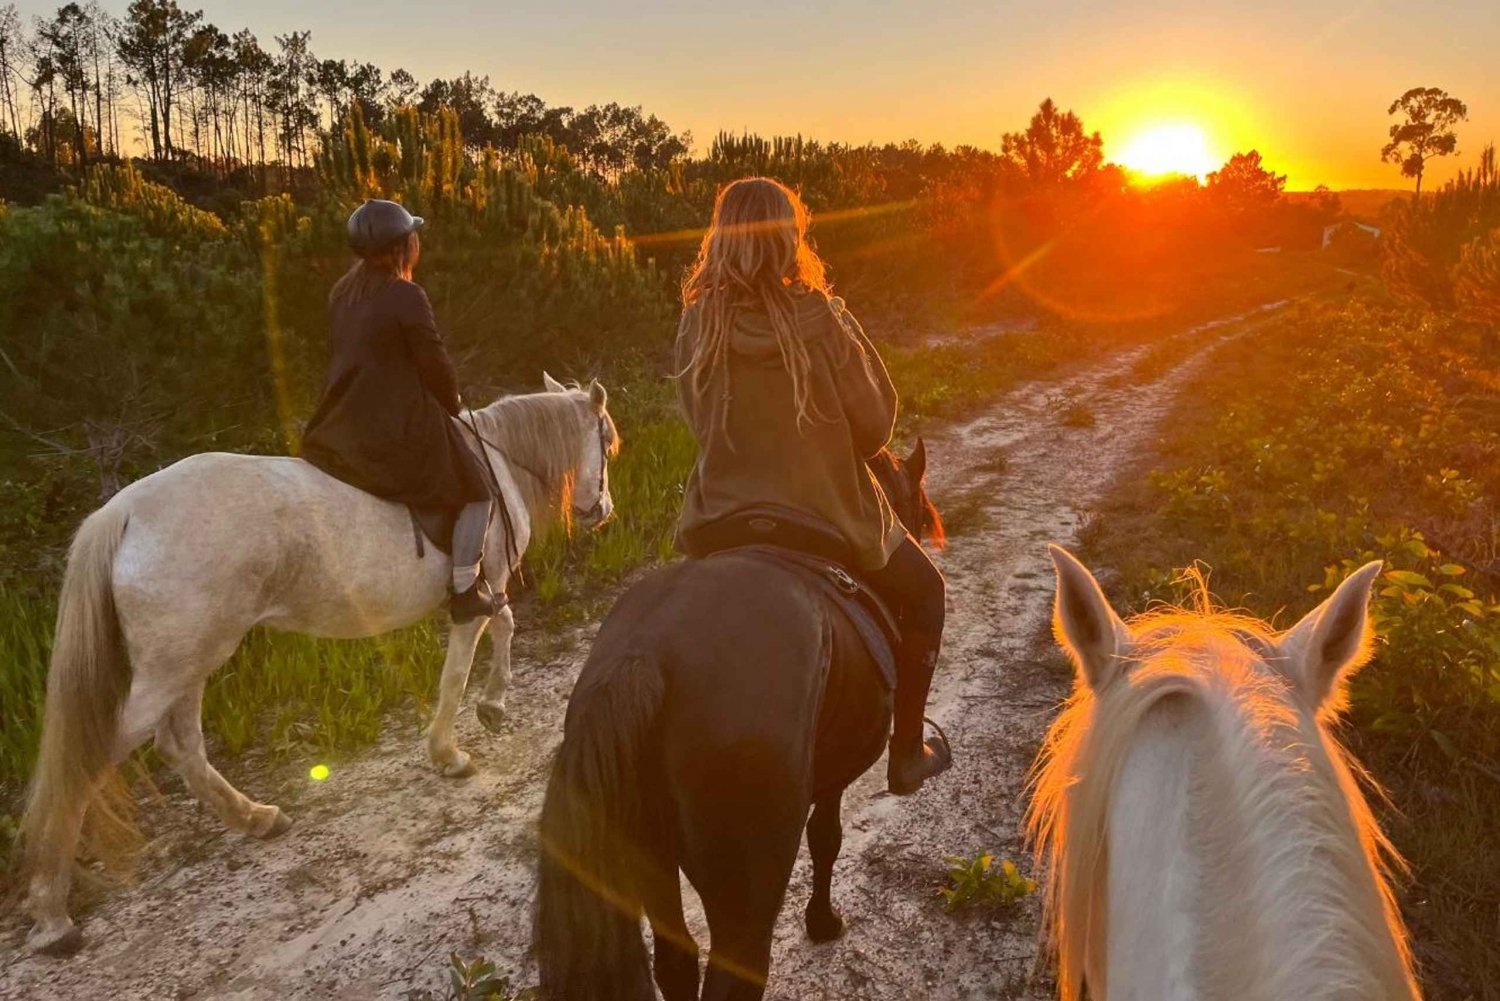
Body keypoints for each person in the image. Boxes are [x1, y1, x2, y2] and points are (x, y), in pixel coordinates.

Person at [674, 177, 951, 795]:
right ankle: (906, 751)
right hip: (826, 516)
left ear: (720, 241)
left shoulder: (699, 323)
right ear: (789, 238)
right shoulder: (820, 315)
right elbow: (877, 425)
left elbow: (698, 423)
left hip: (721, 520)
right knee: (928, 592)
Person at [301, 199, 497, 624]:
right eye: (414, 238)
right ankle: (465, 589)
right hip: (395, 427)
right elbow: (434, 360)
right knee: (479, 491)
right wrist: (453, 404)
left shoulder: (342, 295)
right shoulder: (405, 294)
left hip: (339, 424)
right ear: (403, 247)